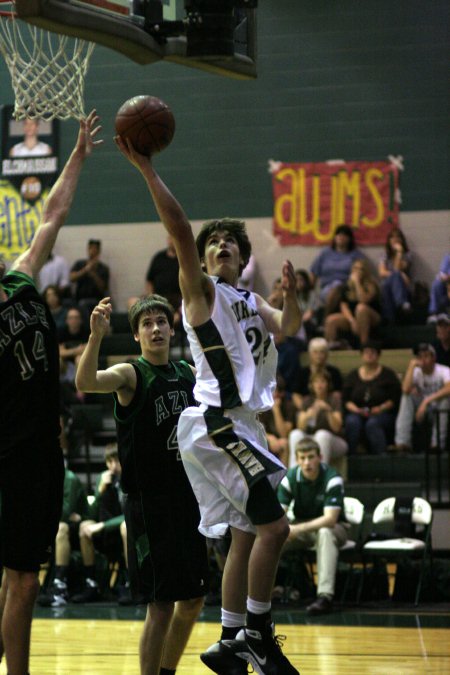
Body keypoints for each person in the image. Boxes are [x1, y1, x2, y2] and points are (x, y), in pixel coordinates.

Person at [114, 135, 302, 674]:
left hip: (245, 425)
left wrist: (290, 299)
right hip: (216, 423)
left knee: (245, 538)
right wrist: (148, 171)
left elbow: (287, 329)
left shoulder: (249, 299)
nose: (220, 246)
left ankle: (227, 638)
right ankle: (258, 634)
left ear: (243, 257)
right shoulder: (203, 293)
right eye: (212, 242)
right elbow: (178, 231)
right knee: (276, 530)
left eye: (229, 243)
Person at [0, 110, 101, 675]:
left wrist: (78, 157)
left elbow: (53, 215)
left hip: (43, 450)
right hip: (10, 456)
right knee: (24, 579)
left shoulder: (18, 279)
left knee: (21, 578)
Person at [75, 294, 209, 674]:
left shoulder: (186, 373)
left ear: (171, 327)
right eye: (147, 323)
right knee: (161, 604)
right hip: (150, 506)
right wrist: (96, 337)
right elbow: (86, 380)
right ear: (136, 335)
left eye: (161, 321)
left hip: (188, 500)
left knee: (194, 600)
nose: (155, 328)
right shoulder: (132, 374)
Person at [277, 437, 349, 616]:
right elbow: (279, 515)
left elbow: (330, 519)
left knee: (325, 532)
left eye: (311, 457)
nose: (307, 462)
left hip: (336, 528)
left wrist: (296, 529)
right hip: (303, 527)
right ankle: (263, 594)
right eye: (302, 458)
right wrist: (284, 529)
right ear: (297, 459)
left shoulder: (332, 478)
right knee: (273, 537)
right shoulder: (290, 478)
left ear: (320, 457)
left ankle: (324, 597)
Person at [71, 444, 127, 604]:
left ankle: (130, 582)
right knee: (84, 527)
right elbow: (91, 513)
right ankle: (91, 583)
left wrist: (102, 526)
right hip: (107, 532)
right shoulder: (103, 478)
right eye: (110, 462)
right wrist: (100, 490)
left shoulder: (131, 478)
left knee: (126, 527)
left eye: (117, 461)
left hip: (127, 531)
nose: (114, 466)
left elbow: (129, 515)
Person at [37, 465, 90, 608]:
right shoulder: (44, 479)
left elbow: (66, 511)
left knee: (61, 528)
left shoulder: (69, 478)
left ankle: (60, 586)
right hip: (58, 523)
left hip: (82, 524)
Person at [342, 342, 401, 455]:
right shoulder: (353, 376)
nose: (369, 355)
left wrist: (380, 408)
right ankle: (351, 456)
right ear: (361, 355)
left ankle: (381, 457)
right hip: (357, 412)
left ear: (378, 355)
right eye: (366, 353)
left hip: (382, 413)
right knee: (352, 421)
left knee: (373, 423)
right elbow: (346, 399)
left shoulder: (388, 375)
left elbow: (394, 398)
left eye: (372, 353)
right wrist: (357, 410)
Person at [392, 343, 450, 453]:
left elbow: (449, 388)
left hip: (437, 408)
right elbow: (405, 389)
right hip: (421, 411)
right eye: (420, 356)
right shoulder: (416, 372)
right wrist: (411, 367)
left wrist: (426, 401)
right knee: (406, 397)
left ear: (434, 358)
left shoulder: (443, 370)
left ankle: (436, 445)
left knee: (445, 400)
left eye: (426, 356)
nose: (422, 360)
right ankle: (402, 443)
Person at [289, 370, 348, 469]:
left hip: (335, 441)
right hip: (311, 438)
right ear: (311, 385)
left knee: (322, 434)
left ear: (328, 384)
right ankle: (294, 474)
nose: (319, 385)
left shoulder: (334, 399)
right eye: (316, 382)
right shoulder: (307, 400)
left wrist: (328, 410)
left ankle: (320, 475)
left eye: (322, 382)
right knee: (295, 434)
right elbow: (300, 426)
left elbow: (337, 428)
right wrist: (308, 415)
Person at [324, 258, 381, 347]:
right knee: (331, 320)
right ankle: (331, 348)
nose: (357, 271)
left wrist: (357, 283)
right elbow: (344, 306)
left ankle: (364, 345)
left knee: (361, 308)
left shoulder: (372, 285)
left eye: (360, 269)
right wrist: (352, 321)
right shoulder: (346, 286)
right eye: (355, 268)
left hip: (371, 316)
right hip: (353, 317)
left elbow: (363, 300)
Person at [310, 224, 365, 315]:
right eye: (338, 234)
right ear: (334, 237)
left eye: (344, 235)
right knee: (331, 290)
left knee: (337, 287)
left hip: (347, 288)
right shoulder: (325, 253)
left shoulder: (355, 254)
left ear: (350, 238)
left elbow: (363, 270)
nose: (341, 237)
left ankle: (324, 319)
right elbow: (313, 273)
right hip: (326, 288)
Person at [291, 337, 343, 410]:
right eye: (315, 352)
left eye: (322, 352)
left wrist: (327, 409)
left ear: (327, 354)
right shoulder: (302, 373)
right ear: (310, 354)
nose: (319, 355)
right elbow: (295, 395)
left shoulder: (334, 372)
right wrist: (305, 410)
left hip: (328, 409)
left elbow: (337, 395)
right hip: (308, 410)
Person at [259, 378, 297, 468]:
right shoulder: (261, 406)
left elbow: (283, 434)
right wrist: (269, 437)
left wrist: (276, 410)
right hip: (264, 438)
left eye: (274, 391)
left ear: (281, 394)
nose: (271, 394)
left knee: (284, 443)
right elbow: (255, 428)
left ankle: (284, 480)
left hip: (281, 441)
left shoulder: (289, 406)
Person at [378, 227, 413, 323]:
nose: (395, 239)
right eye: (392, 237)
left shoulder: (407, 255)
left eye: (398, 237)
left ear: (402, 240)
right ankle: (403, 303)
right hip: (387, 284)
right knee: (394, 276)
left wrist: (399, 252)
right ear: (389, 240)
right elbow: (381, 272)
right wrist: (399, 274)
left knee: (393, 279)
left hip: (403, 287)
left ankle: (391, 317)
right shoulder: (384, 254)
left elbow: (398, 267)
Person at [70, 239, 110, 320]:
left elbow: (104, 288)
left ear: (99, 251)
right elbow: (72, 278)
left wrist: (93, 274)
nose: (92, 251)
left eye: (95, 248)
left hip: (97, 300)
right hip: (80, 299)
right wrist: (85, 270)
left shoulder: (103, 268)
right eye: (90, 248)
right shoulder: (80, 264)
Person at [145, 235, 181, 311]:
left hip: (178, 300)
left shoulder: (184, 258)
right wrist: (151, 298)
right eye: (171, 238)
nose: (173, 242)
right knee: (132, 301)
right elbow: (149, 281)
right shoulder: (159, 257)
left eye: (175, 239)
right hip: (158, 298)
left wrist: (180, 311)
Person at [428, 253, 450, 321]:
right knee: (437, 283)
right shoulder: (448, 258)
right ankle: (435, 314)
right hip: (447, 284)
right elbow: (442, 275)